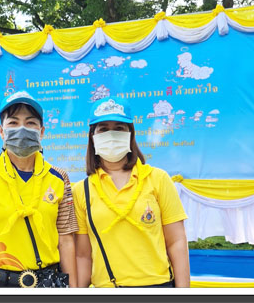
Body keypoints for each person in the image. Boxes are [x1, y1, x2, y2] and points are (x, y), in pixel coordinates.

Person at [0, 90, 78, 288]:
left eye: (31, 123)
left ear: (41, 131)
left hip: (49, 283)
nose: (22, 129)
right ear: (1, 131)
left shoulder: (59, 179)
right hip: (0, 284)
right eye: (13, 123)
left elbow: (66, 242)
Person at [73, 97, 190, 288]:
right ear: (92, 137)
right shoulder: (81, 191)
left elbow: (176, 242)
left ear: (130, 134)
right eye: (103, 129)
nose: (111, 134)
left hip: (158, 286)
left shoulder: (158, 178)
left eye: (119, 128)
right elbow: (83, 256)